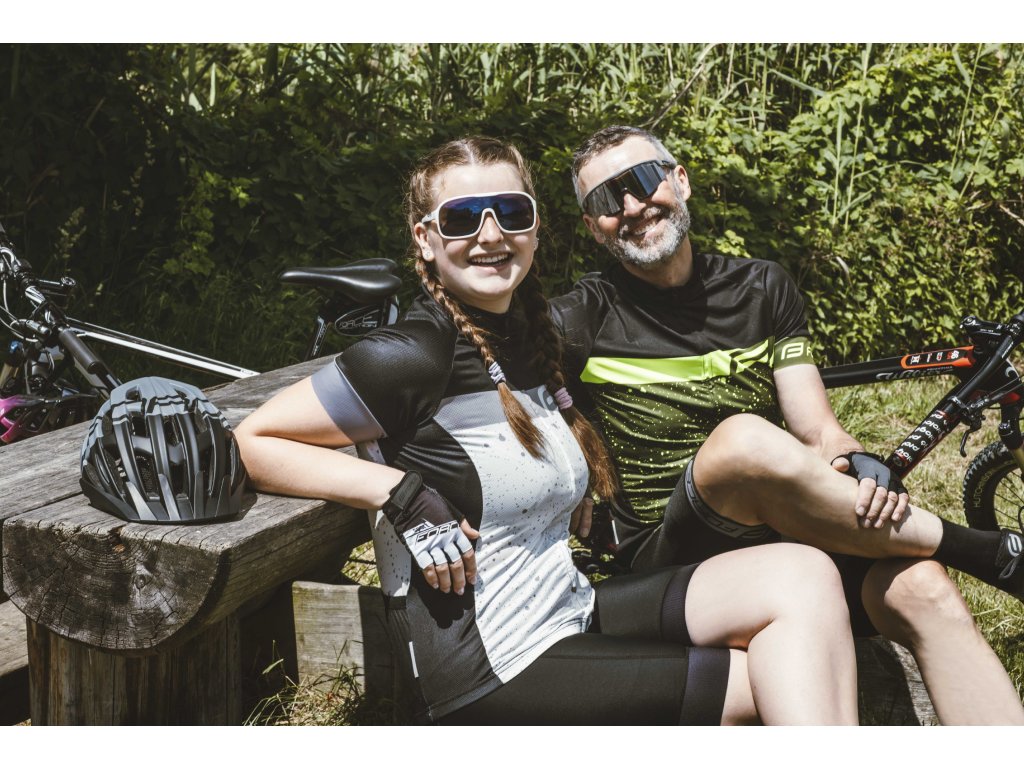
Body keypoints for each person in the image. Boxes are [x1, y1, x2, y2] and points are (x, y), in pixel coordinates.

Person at [234, 136, 859, 725]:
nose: (490, 235)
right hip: (493, 667)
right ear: (425, 239)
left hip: (570, 607)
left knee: (802, 573)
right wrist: (398, 492)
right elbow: (254, 441)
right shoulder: (410, 353)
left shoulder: (528, 335)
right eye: (462, 218)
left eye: (510, 212)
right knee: (775, 678)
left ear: (534, 228)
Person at [553, 123, 1024, 724]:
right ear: (593, 226)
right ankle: (985, 552)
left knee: (924, 586)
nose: (630, 205)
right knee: (743, 441)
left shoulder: (762, 286)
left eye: (643, 180)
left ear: (680, 181)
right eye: (605, 198)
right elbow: (482, 368)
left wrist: (854, 460)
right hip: (667, 557)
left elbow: (818, 430)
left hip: (781, 533)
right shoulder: (580, 317)